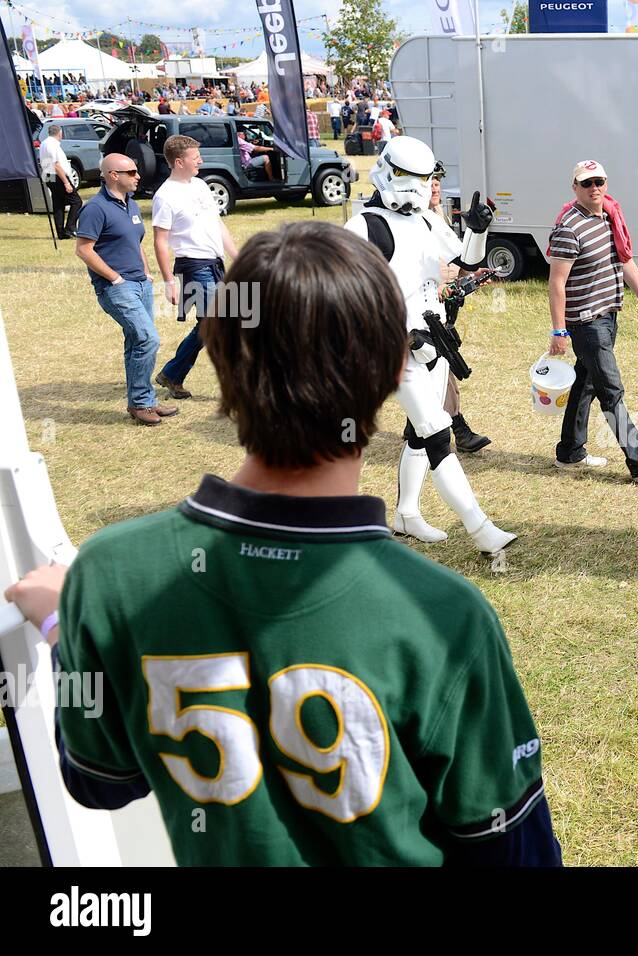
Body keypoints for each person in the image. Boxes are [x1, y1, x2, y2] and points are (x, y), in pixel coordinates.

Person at [2, 221, 562, 867]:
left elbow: (100, 777)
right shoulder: (443, 616)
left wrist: (65, 622)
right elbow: (514, 853)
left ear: (217, 356)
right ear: (391, 376)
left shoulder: (111, 574)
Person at [344, 136, 516, 554]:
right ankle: (481, 530)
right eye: (407, 176)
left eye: (423, 177)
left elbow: (467, 261)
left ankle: (406, 513)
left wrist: (478, 229)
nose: (417, 186)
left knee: (420, 434)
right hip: (393, 348)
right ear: (386, 171)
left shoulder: (424, 220)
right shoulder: (364, 226)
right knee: (437, 433)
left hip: (432, 338)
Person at [548, 160, 638, 484]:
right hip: (586, 323)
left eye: (599, 181)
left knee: (585, 383)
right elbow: (557, 282)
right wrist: (558, 330)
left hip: (608, 315)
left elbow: (625, 261)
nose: (594, 188)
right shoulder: (568, 228)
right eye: (586, 183)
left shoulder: (609, 215)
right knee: (611, 391)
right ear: (575, 187)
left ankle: (570, 452)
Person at [74, 153, 177, 426]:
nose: (138, 176)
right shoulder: (95, 208)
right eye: (131, 172)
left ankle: (143, 402)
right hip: (115, 287)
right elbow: (83, 250)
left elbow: (136, 241)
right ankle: (142, 402)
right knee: (147, 339)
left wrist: (145, 271)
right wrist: (115, 278)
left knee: (136, 342)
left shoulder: (129, 204)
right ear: (112, 175)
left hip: (140, 284)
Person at [151, 135, 239, 401]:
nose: (200, 160)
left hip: (215, 264)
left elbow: (217, 225)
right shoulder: (164, 197)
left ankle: (172, 374)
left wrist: (239, 257)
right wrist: (168, 282)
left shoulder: (200, 185)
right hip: (194, 268)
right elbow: (160, 240)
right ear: (179, 162)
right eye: (195, 157)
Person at [428, 163, 492, 453]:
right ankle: (459, 430)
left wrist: (472, 277)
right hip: (416, 315)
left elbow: (461, 262)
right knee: (442, 367)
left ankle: (415, 426)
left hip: (440, 315)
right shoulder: (406, 222)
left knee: (434, 370)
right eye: (428, 180)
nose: (435, 186)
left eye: (437, 180)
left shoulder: (437, 217)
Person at [39, 124, 81, 240]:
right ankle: (70, 227)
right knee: (77, 202)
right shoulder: (52, 144)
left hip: (48, 174)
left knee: (58, 204)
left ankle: (61, 232)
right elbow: (56, 164)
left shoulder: (44, 143)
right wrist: (66, 182)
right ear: (59, 133)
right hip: (57, 175)